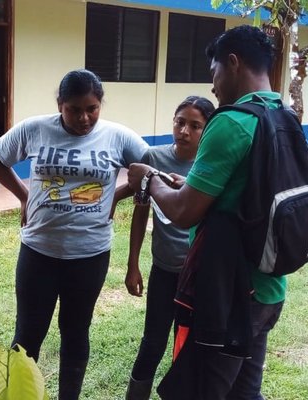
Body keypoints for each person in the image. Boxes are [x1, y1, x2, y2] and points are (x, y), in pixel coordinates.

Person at [126, 25, 287, 399]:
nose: (213, 85)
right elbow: (248, 192)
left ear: (232, 63)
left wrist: (149, 180)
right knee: (245, 392)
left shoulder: (230, 122)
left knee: (199, 391)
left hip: (229, 292)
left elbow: (183, 214)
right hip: (270, 287)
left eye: (214, 71)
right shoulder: (281, 116)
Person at [0, 69, 149, 400]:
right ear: (60, 104)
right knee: (28, 334)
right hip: (38, 253)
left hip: (89, 256)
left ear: (101, 104)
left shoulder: (118, 137)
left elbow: (146, 175)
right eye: (74, 109)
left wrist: (115, 195)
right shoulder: (35, 129)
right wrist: (24, 196)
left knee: (75, 333)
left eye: (92, 108)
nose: (84, 117)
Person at [123, 96, 215, 400]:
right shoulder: (154, 158)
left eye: (195, 126)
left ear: (207, 130)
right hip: (163, 271)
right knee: (152, 342)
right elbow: (141, 211)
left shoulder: (210, 166)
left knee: (186, 346)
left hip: (199, 277)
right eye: (180, 122)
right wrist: (133, 264)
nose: (185, 131)